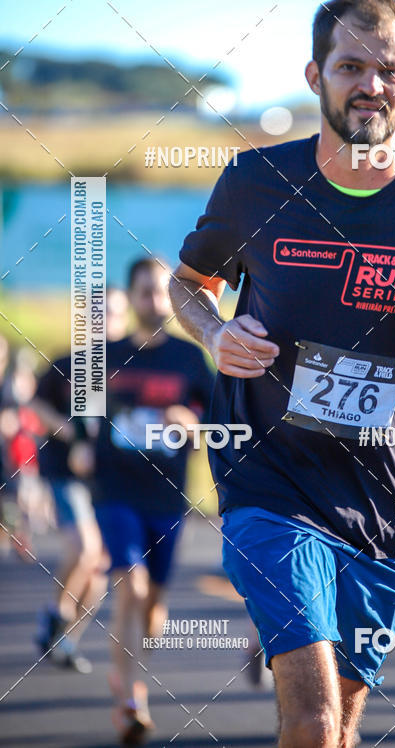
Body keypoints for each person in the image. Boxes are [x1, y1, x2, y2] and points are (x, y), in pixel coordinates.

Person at [169, 0, 395, 747]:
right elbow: (187, 287)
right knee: (315, 716)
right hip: (272, 482)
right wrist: (212, 334)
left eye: (388, 68)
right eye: (350, 65)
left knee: (344, 719)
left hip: (393, 500)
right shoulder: (257, 181)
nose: (370, 84)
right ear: (315, 74)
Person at [93, 257, 214, 745]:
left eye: (162, 292)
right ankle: (131, 698)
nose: (154, 301)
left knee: (154, 609)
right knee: (132, 586)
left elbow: (218, 427)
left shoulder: (189, 360)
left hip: (166, 496)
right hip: (114, 491)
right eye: (144, 292)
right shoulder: (104, 356)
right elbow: (68, 408)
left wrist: (193, 424)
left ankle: (129, 669)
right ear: (132, 296)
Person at [31, 285, 130, 671]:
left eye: (116, 314)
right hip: (65, 473)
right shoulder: (66, 363)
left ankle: (66, 639)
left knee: (101, 570)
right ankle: (55, 613)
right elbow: (36, 407)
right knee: (86, 550)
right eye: (101, 314)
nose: (109, 321)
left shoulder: (130, 369)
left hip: (109, 480)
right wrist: (70, 434)